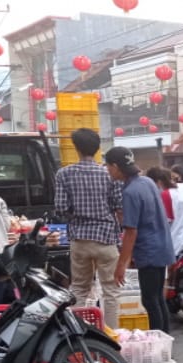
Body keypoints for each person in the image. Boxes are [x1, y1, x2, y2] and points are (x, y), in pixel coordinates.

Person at [54, 129, 123, 328]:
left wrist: (77, 213)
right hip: (106, 238)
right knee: (110, 291)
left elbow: (60, 208)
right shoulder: (109, 173)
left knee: (79, 290)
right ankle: (112, 336)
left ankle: (79, 335)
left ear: (76, 148)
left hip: (79, 239)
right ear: (98, 148)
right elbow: (119, 206)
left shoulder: (64, 174)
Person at [105, 147, 175, 334]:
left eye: (108, 166)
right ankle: (165, 339)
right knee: (157, 298)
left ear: (115, 166)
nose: (107, 170)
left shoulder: (130, 192)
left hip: (149, 250)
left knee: (150, 300)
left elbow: (130, 232)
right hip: (162, 245)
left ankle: (159, 340)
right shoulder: (147, 182)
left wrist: (121, 265)